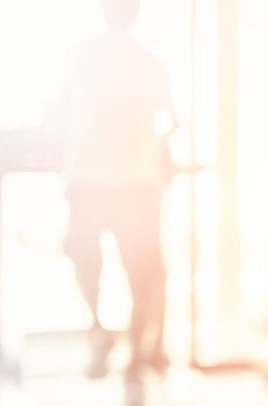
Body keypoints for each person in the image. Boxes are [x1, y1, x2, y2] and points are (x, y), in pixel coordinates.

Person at [48, 0, 174, 380]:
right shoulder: (150, 62)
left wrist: (63, 157)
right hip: (132, 181)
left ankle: (104, 331)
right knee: (141, 272)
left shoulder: (81, 56)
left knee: (90, 258)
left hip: (96, 179)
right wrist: (156, 150)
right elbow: (173, 120)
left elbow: (58, 113)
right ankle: (132, 351)